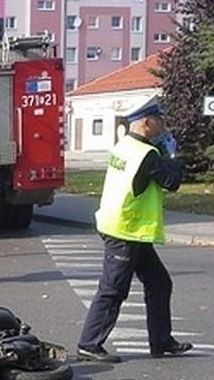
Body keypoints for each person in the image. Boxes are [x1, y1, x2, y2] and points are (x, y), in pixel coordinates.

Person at [77, 96, 193, 362]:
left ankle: (161, 341)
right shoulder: (146, 154)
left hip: (125, 226)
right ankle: (89, 344)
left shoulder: (125, 145)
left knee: (159, 283)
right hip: (124, 230)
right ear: (145, 122)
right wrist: (173, 156)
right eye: (159, 119)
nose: (163, 124)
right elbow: (171, 182)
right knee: (113, 288)